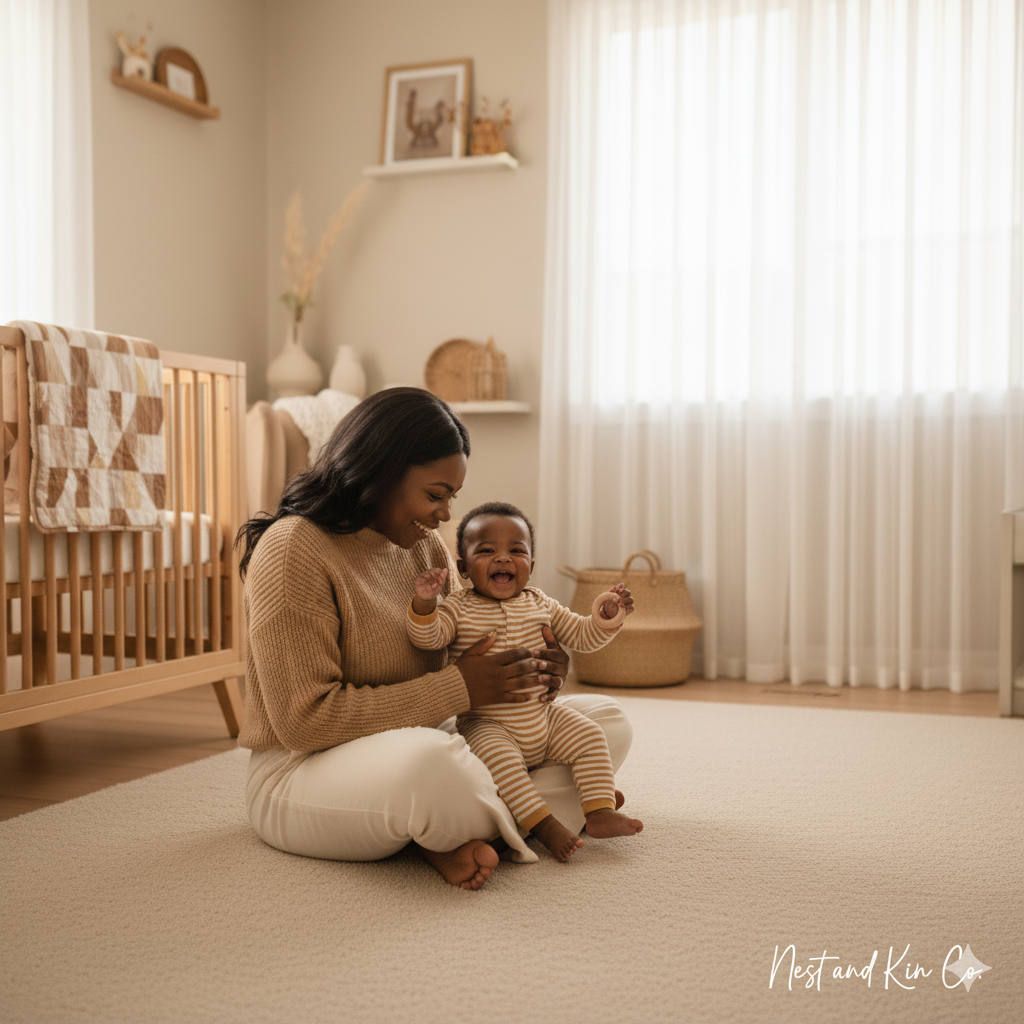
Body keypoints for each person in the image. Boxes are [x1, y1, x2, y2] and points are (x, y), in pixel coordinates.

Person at [235, 387, 633, 890]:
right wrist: (463, 688)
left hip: (431, 736)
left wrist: (538, 670)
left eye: (451, 498)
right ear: (380, 473)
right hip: (302, 770)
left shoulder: (422, 547)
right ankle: (509, 817)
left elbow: (467, 649)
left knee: (606, 723)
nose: (445, 515)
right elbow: (305, 723)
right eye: (435, 494)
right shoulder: (293, 551)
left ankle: (454, 828)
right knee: (432, 768)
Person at [406, 502, 643, 862]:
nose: (503, 559)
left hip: (544, 718)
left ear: (532, 564)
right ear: (463, 567)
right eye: (487, 551)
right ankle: (545, 825)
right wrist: (425, 604)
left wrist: (606, 616)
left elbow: (582, 636)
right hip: (488, 724)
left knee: (591, 734)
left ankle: (598, 811)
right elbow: (429, 638)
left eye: (517, 551)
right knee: (502, 766)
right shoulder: (457, 607)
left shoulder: (541, 603)